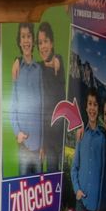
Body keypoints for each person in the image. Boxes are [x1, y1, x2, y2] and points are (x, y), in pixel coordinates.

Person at [9, 23, 43, 176]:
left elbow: (43, 107)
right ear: (19, 41)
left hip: (38, 146)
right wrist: (18, 133)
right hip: (23, 145)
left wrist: (43, 143)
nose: (26, 40)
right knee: (22, 189)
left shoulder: (39, 70)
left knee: (40, 193)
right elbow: (12, 106)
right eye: (23, 37)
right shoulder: (17, 68)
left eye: (29, 36)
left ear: (33, 41)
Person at [69, 89, 105, 211]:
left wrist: (99, 205)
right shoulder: (81, 135)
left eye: (95, 104)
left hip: (94, 205)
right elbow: (74, 168)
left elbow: (102, 175)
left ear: (98, 108)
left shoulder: (102, 139)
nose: (92, 108)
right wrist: (77, 190)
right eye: (90, 104)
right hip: (80, 201)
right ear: (86, 107)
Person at [36, 21, 65, 172]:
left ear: (52, 43)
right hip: (45, 136)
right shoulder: (38, 67)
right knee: (47, 176)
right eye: (40, 43)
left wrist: (55, 62)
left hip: (59, 136)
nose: (43, 46)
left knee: (58, 174)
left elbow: (56, 63)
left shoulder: (57, 60)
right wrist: (18, 59)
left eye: (46, 41)